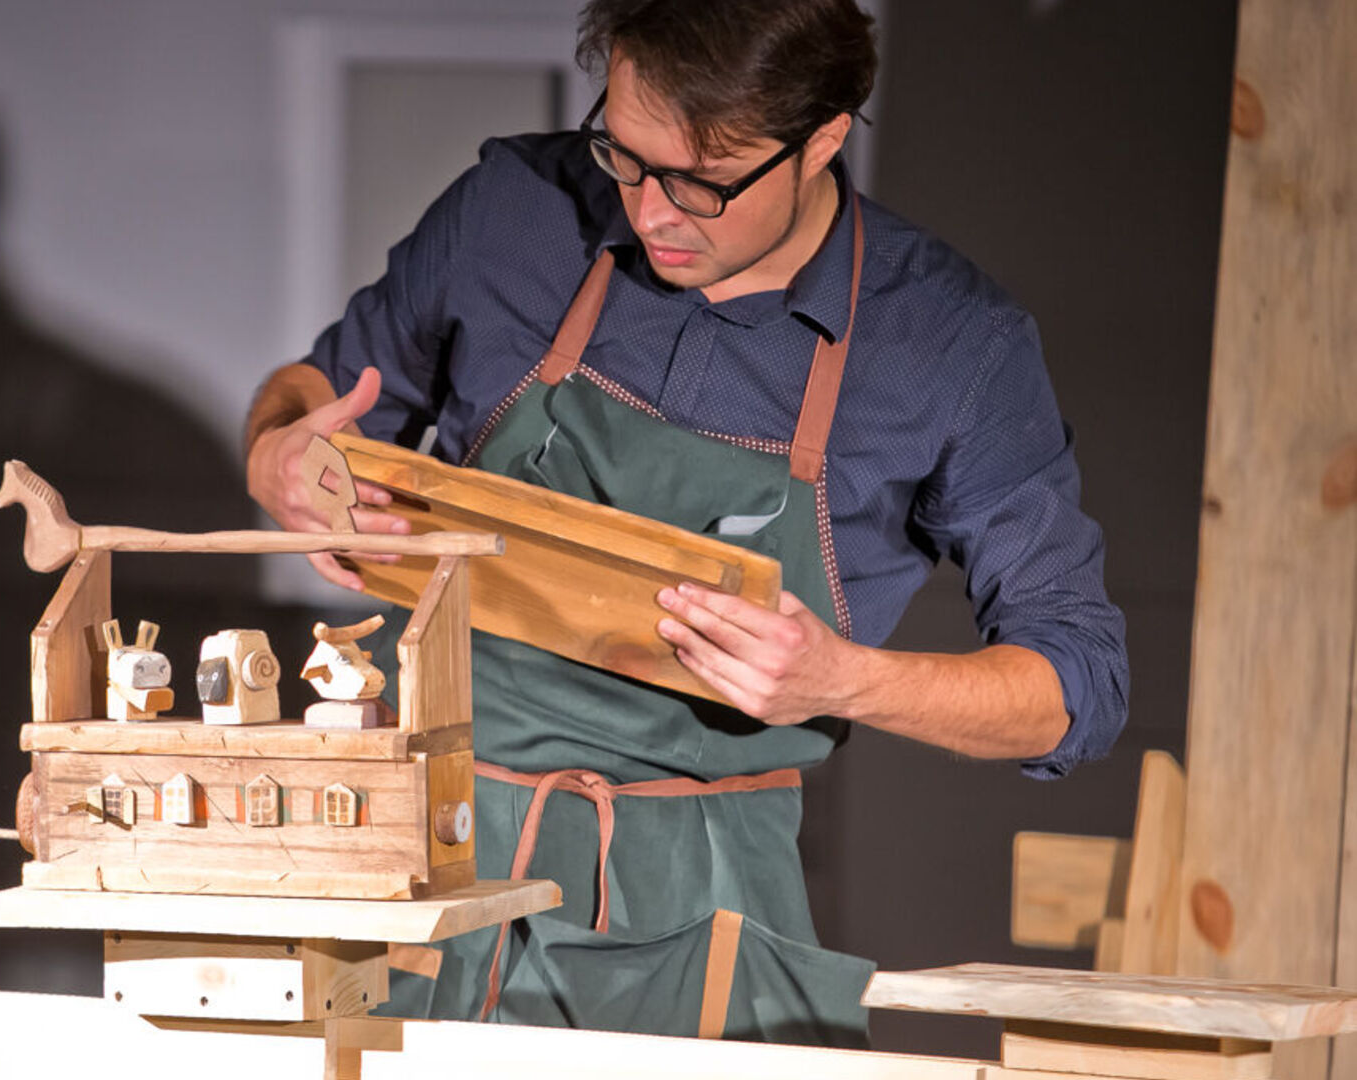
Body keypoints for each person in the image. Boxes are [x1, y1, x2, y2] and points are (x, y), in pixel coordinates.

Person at [243, 0, 1127, 1047]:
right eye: (625, 156)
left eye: (703, 182)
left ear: (824, 138)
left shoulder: (951, 348)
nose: (652, 212)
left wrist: (842, 680)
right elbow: (315, 388)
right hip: (419, 859)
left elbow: (1076, 684)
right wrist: (278, 453)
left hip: (700, 909)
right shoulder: (516, 208)